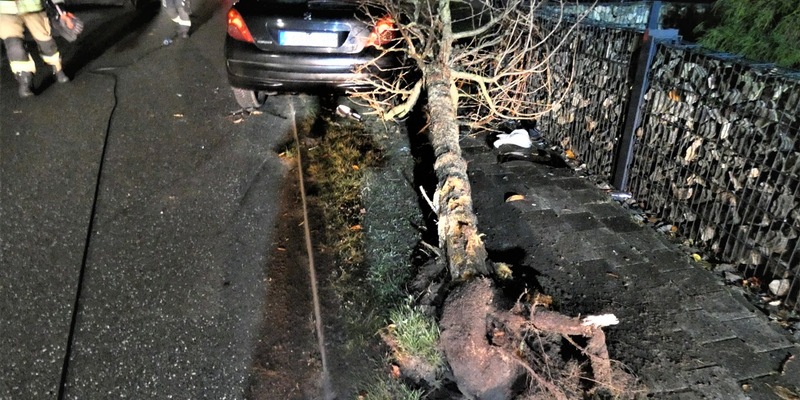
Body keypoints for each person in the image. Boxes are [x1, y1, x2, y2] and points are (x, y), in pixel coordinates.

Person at [0, 0, 74, 97]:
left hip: (33, 8)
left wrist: (60, 7)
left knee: (46, 43)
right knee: (14, 47)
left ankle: (58, 69)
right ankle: (25, 80)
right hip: (5, 12)